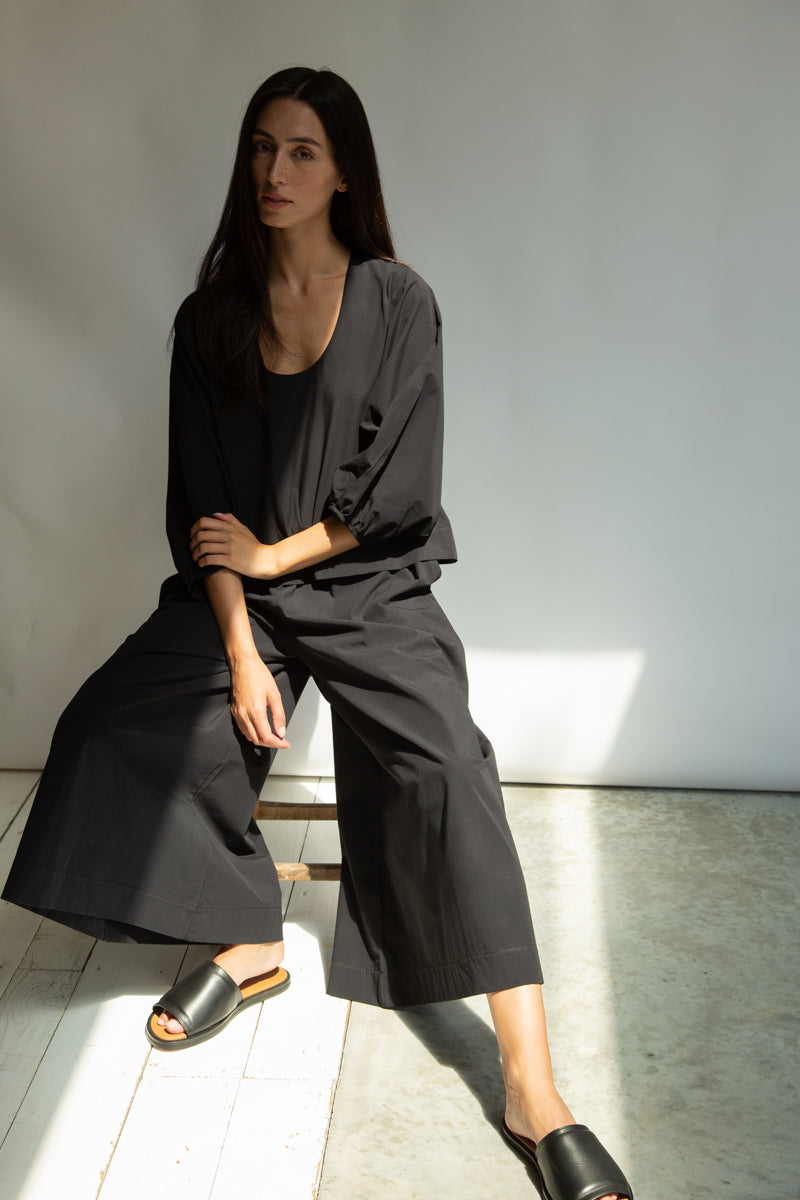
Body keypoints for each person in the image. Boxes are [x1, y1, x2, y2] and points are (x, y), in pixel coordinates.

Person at [2, 67, 632, 1200]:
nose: (273, 173)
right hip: (241, 595)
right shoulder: (210, 319)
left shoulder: (397, 300)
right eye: (259, 148)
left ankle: (531, 1086)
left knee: (445, 765)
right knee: (113, 722)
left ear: (344, 169)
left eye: (300, 152)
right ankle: (246, 941)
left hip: (369, 582)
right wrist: (243, 645)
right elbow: (202, 513)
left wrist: (273, 556)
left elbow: (397, 495)